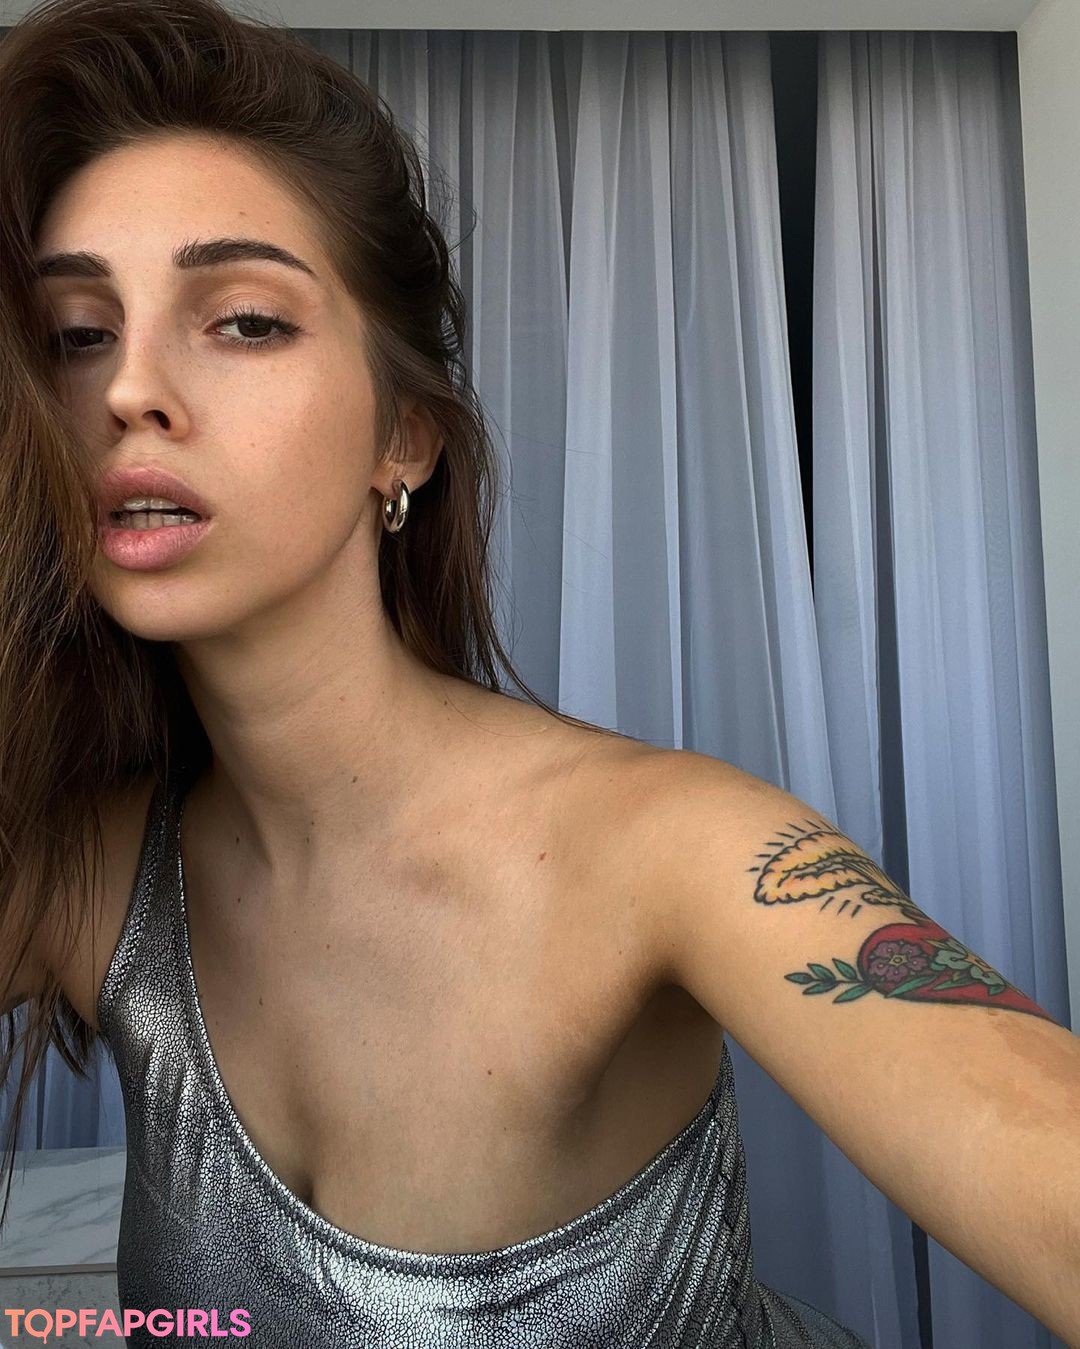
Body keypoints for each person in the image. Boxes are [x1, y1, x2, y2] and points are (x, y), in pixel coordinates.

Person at [3, 2, 1075, 1347]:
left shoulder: (672, 851)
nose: (128, 391)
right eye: (76, 334)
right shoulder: (89, 875)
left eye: (247, 321)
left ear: (404, 439)